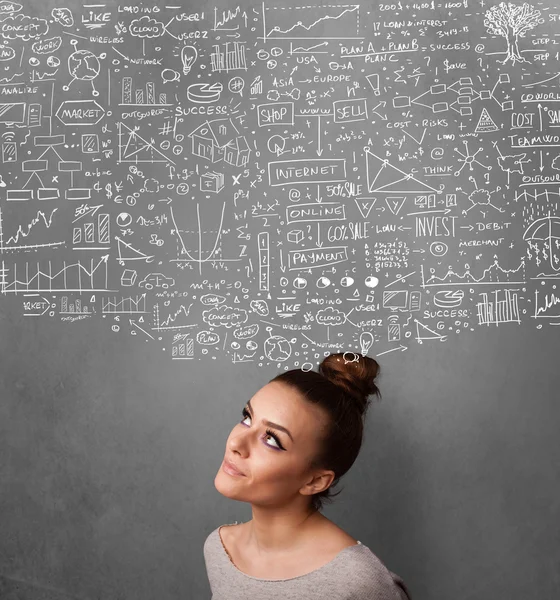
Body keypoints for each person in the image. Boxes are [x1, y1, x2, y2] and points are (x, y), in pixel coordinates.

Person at [204, 351, 411, 599]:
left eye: (272, 439)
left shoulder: (357, 581)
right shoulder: (219, 549)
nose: (237, 442)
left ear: (315, 481)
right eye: (247, 418)